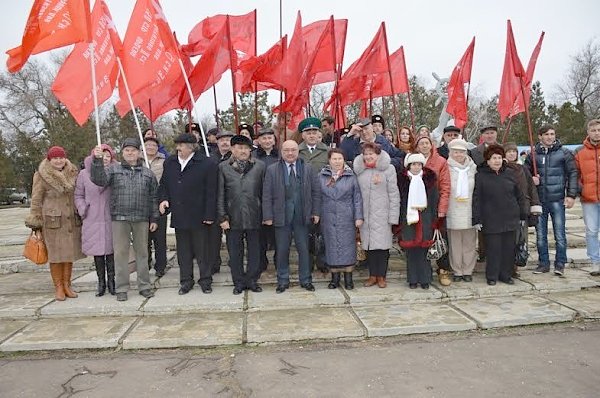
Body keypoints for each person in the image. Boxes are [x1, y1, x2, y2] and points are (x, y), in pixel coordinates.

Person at [90, 138, 158, 301]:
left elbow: (153, 197)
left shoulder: (148, 173)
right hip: (120, 217)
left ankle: (145, 285)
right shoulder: (114, 170)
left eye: (133, 150)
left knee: (143, 252)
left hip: (142, 218)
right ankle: (121, 288)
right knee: (120, 254)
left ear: (139, 152)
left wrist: (154, 217)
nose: (130, 153)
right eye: (127, 150)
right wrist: (97, 161)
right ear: (122, 153)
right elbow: (99, 180)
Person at [159, 133, 218, 295]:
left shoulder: (207, 163)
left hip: (199, 215)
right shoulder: (170, 162)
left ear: (192, 147)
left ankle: (205, 280)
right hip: (179, 214)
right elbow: (164, 184)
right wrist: (163, 199)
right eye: (177, 145)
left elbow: (212, 192)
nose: (178, 148)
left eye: (182, 145)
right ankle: (186, 281)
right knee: (183, 252)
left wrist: (209, 214)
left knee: (202, 251)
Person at [25, 146, 84, 301]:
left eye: (61, 157)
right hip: (52, 221)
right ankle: (58, 286)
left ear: (65, 158)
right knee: (56, 255)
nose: (58, 161)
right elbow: (36, 199)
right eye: (55, 158)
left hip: (71, 220)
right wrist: (35, 221)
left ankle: (67, 285)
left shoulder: (73, 172)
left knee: (69, 255)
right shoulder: (41, 175)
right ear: (49, 160)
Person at [262, 140, 321, 293]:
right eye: (286, 150)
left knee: (304, 249)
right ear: (281, 152)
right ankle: (282, 280)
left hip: (302, 216)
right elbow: (266, 194)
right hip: (281, 216)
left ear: (298, 151)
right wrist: (267, 215)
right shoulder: (272, 169)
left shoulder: (307, 168)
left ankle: (306, 279)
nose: (290, 153)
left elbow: (316, 192)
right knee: (282, 250)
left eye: (293, 150)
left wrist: (315, 212)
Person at [525, 125, 578, 276]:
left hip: (557, 199)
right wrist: (531, 180)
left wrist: (571, 194)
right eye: (546, 134)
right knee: (540, 235)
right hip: (540, 200)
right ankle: (543, 263)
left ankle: (560, 263)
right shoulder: (533, 155)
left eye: (552, 134)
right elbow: (525, 175)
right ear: (540, 136)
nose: (550, 137)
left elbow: (573, 173)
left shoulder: (564, 153)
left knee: (560, 234)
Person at [472, 144, 527, 285]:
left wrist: (522, 214)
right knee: (494, 249)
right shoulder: (480, 176)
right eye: (493, 158)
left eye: (499, 158)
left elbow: (519, 195)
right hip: (491, 219)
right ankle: (492, 276)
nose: (496, 161)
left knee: (508, 249)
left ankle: (506, 275)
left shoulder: (509, 174)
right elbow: (476, 199)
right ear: (488, 161)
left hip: (510, 217)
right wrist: (477, 219)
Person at [218, 135, 266, 294]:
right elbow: (220, 195)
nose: (243, 151)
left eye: (246, 148)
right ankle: (238, 282)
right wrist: (222, 217)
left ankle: (252, 280)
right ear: (232, 149)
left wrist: (265, 214)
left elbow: (265, 193)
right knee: (235, 252)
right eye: (239, 148)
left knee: (255, 251)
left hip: (255, 214)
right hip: (233, 217)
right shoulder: (223, 167)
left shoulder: (259, 166)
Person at [354, 143, 400, 288]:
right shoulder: (360, 171)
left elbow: (394, 193)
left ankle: (382, 276)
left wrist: (393, 216)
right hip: (366, 215)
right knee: (370, 248)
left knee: (382, 248)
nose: (368, 156)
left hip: (383, 215)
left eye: (371, 153)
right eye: (366, 154)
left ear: (378, 155)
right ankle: (372, 275)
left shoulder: (388, 169)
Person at [74, 144, 117, 296]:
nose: (105, 159)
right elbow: (78, 194)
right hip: (92, 216)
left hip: (110, 216)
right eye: (102, 155)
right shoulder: (84, 174)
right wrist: (83, 208)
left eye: (108, 156)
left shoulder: (115, 172)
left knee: (111, 250)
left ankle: (112, 281)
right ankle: (101, 282)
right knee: (98, 252)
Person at [318, 148, 363, 289]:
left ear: (344, 160)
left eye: (339, 159)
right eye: (334, 159)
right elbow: (317, 197)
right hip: (328, 216)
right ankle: (334, 279)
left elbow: (357, 199)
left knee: (347, 247)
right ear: (329, 160)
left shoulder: (351, 176)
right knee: (331, 246)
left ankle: (349, 279)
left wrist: (358, 217)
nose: (337, 162)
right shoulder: (321, 176)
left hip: (347, 216)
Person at [414, 134, 452, 286]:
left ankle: (443, 270)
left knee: (440, 238)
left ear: (431, 145)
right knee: (422, 239)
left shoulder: (440, 162)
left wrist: (442, 208)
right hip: (419, 206)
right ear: (417, 146)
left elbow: (445, 187)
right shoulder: (413, 161)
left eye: (426, 143)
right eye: (421, 143)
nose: (424, 146)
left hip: (435, 205)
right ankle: (424, 271)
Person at [398, 153, 439, 289]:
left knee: (424, 251)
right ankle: (413, 279)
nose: (416, 167)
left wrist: (435, 221)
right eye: (414, 164)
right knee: (411, 251)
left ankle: (425, 278)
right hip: (408, 220)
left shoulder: (429, 180)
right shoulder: (402, 181)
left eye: (419, 164)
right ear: (409, 166)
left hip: (425, 219)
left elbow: (434, 201)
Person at [504, 142, 542, 278]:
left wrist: (534, 206)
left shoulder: (523, 169)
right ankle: (507, 267)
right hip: (506, 211)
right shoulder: (501, 169)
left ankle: (516, 265)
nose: (512, 154)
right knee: (508, 240)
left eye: (514, 151)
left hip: (522, 209)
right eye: (509, 151)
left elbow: (531, 189)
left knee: (520, 239)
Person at [445, 139, 478, 282]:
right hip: (453, 208)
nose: (458, 155)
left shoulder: (473, 168)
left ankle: (468, 270)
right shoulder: (446, 167)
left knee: (470, 242)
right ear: (450, 152)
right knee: (455, 243)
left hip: (470, 208)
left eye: (461, 152)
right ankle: (457, 270)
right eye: (455, 152)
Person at [470, 125, 500, 264]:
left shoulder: (503, 148)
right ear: (482, 136)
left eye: (492, 133)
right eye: (487, 133)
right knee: (483, 227)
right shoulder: (475, 152)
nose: (490, 135)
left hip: (500, 191)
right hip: (482, 189)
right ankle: (483, 253)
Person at [575, 119, 600, 275]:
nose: (597, 133)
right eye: (593, 130)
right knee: (591, 231)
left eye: (599, 130)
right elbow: (575, 174)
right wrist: (580, 189)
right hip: (589, 198)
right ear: (588, 132)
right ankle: (595, 261)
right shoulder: (579, 151)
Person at [253, 127, 279, 271]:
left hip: (278, 200)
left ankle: (278, 260)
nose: (267, 141)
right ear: (258, 141)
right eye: (264, 138)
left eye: (270, 138)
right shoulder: (253, 156)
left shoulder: (281, 155)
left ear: (274, 140)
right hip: (259, 200)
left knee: (278, 235)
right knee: (260, 236)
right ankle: (261, 263)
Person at [340, 118, 405, 169]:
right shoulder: (354, 143)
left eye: (366, 129)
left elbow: (401, 157)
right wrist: (350, 134)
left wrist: (386, 162)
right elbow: (342, 155)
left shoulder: (383, 141)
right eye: (361, 130)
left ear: (372, 128)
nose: (364, 132)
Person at [144, 137, 167, 277]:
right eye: (148, 145)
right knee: (144, 238)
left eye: (153, 145)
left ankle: (161, 266)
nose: (151, 147)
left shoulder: (164, 161)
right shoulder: (138, 161)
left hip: (159, 202)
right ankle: (145, 263)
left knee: (160, 238)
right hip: (142, 203)